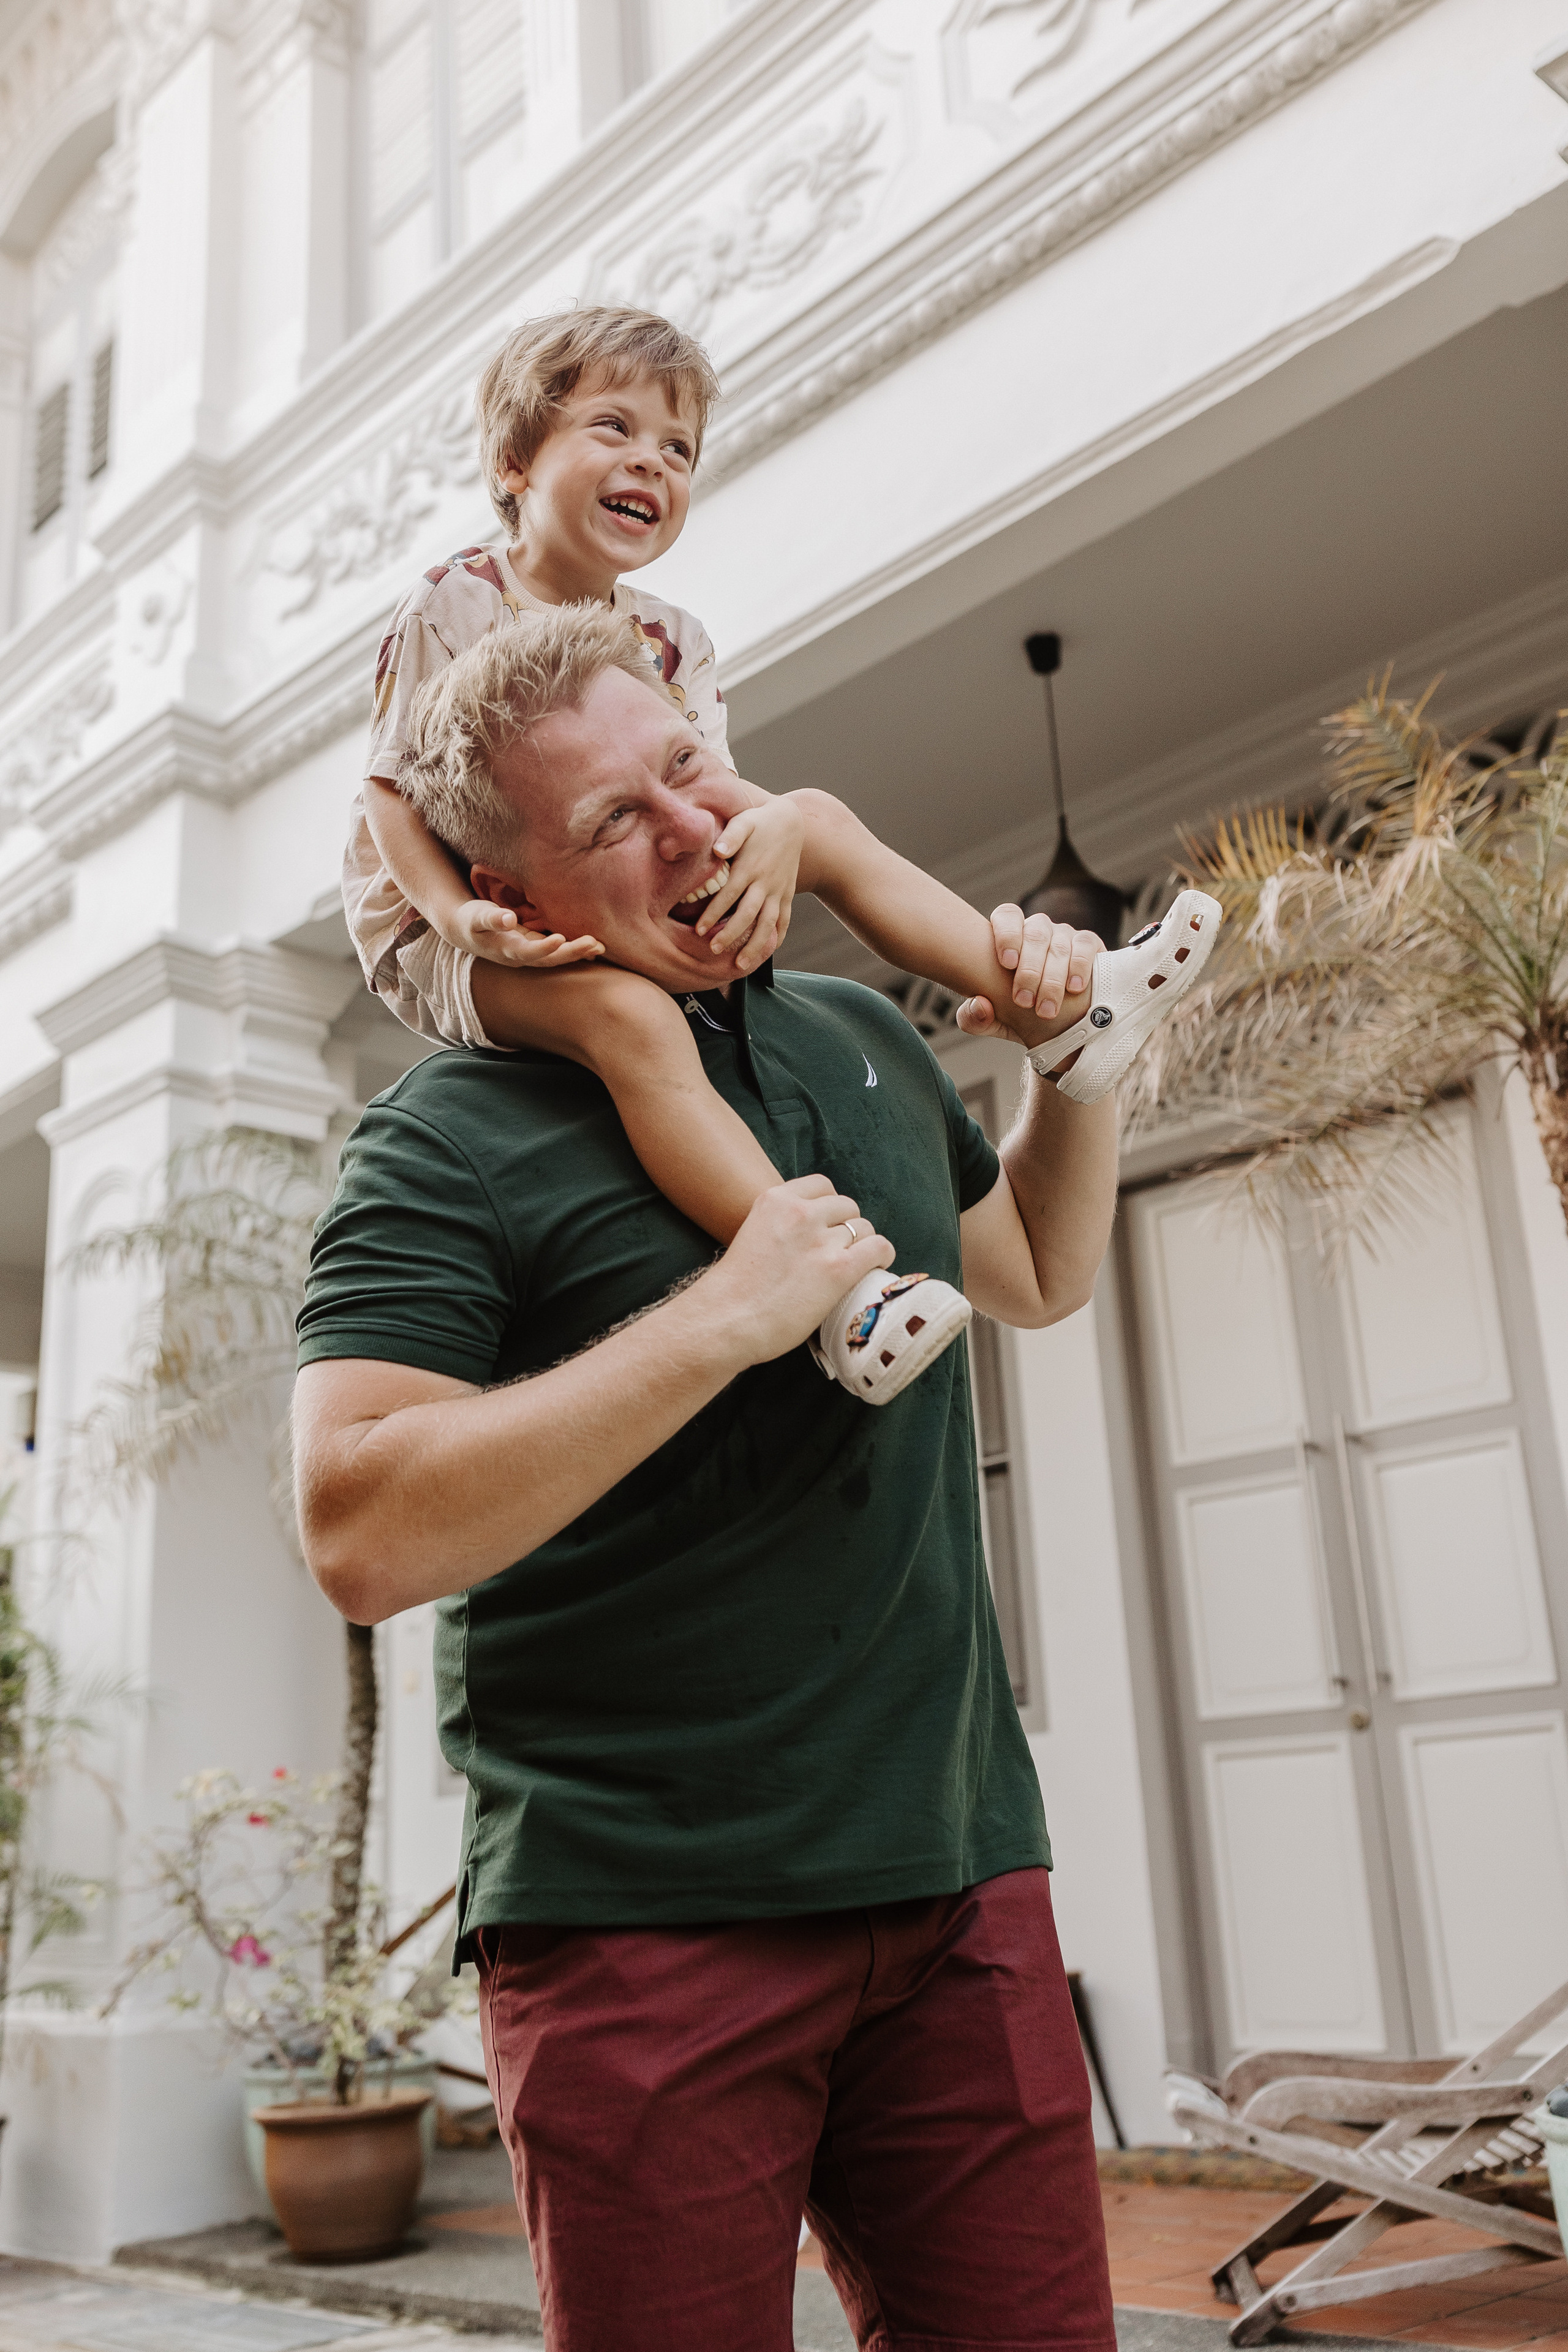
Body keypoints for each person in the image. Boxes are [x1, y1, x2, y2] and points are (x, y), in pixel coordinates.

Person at [296, 602, 1123, 2352]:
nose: (689, 829)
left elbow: (1041, 1270)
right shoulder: (448, 1136)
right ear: (511, 900)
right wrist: (721, 1321)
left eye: (688, 770)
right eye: (612, 821)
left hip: (960, 1877)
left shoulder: (858, 1035)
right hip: (641, 1931)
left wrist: (1081, 1067)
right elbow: (357, 1528)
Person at [345, 304, 1218, 1403]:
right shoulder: (456, 597)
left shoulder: (674, 638)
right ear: (515, 462)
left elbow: (718, 791)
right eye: (611, 429)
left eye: (678, 450)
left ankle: (1062, 1003)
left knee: (816, 811)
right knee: (624, 1020)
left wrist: (792, 832)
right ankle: (837, 1298)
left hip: (542, 922)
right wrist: (456, 915)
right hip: (436, 931)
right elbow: (386, 788)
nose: (649, 464)